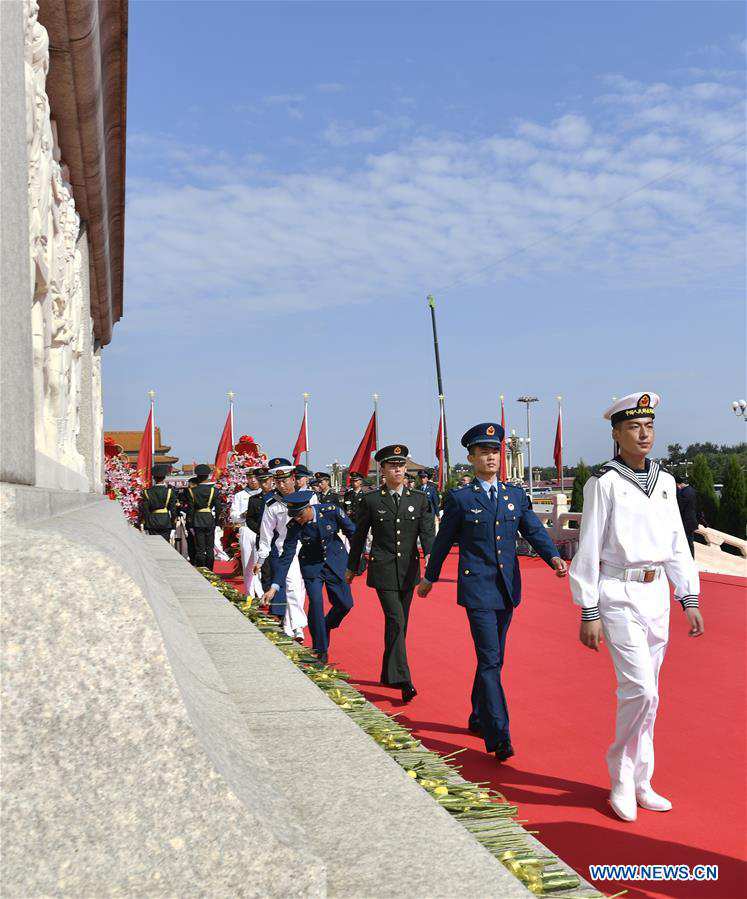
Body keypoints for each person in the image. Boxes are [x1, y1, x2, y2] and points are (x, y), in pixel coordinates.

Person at [569, 392, 703, 822]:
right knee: (639, 689)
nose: (643, 434)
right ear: (616, 434)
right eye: (633, 427)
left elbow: (677, 543)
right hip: (617, 591)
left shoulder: (665, 482)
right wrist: (587, 609)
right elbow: (587, 547)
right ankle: (621, 775)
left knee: (653, 694)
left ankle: (643, 779)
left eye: (649, 426)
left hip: (657, 591)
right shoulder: (603, 482)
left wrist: (689, 596)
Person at [417, 422, 567, 761]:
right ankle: (499, 734)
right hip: (478, 590)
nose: (491, 457)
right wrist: (430, 576)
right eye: (483, 452)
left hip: (507, 589)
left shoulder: (515, 496)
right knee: (490, 659)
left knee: (493, 658)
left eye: (495, 451)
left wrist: (553, 557)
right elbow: (442, 542)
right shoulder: (460, 499)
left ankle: (476, 714)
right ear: (470, 458)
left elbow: (533, 531)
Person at [347, 445, 435, 702]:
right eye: (392, 465)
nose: (397, 469)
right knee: (396, 619)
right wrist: (352, 567)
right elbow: (359, 536)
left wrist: (431, 555)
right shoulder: (371, 500)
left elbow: (427, 532)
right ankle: (404, 679)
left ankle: (388, 672)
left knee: (400, 623)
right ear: (382, 470)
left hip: (409, 570)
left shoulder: (418, 498)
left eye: (401, 465)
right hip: (383, 569)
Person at [265, 491, 356, 663]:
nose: (297, 519)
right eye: (294, 516)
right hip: (311, 566)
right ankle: (320, 649)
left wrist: (356, 560)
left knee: (345, 604)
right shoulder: (294, 526)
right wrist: (274, 587)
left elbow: (352, 531)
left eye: (299, 515)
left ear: (308, 508)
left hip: (335, 561)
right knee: (315, 602)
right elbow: (286, 556)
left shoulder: (331, 511)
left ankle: (326, 624)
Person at [256, 458, 308, 639]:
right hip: (286, 548)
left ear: (293, 479)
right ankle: (298, 627)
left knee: (301, 587)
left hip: (308, 545)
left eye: (285, 481)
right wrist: (261, 558)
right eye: (277, 482)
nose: (282, 485)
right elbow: (266, 532)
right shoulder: (272, 502)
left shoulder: (309, 496)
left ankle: (289, 624)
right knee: (292, 585)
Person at [229, 466, 262, 593]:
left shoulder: (264, 494)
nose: (253, 480)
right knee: (248, 562)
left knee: (261, 561)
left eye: (255, 478)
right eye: (250, 478)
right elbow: (233, 515)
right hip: (246, 529)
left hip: (261, 530)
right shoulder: (240, 495)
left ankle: (260, 591)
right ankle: (249, 592)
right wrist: (243, 515)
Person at [187, 464, 224, 569]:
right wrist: (216, 521)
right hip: (209, 519)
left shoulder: (191, 491)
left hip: (197, 519)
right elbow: (218, 508)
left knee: (199, 548)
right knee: (209, 547)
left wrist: (190, 523)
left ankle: (201, 569)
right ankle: (210, 569)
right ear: (208, 476)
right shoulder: (214, 490)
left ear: (197, 476)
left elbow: (190, 509)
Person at [245, 469, 275, 598]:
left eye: (266, 481)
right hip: (262, 539)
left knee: (278, 569)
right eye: (261, 481)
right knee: (266, 570)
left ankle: (278, 599)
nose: (264, 484)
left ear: (271, 480)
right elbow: (249, 519)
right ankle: (268, 596)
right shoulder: (254, 499)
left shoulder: (278, 497)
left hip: (278, 538)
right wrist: (261, 531)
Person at [139, 464, 177, 541]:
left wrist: (146, 524)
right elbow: (173, 510)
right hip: (166, 522)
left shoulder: (147, 492)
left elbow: (146, 510)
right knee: (166, 545)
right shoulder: (169, 491)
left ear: (154, 478)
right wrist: (173, 525)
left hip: (152, 522)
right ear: (164, 478)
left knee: (155, 545)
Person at [674, 474, 700, 557]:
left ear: (677, 484)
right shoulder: (691, 490)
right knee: (689, 542)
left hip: (687, 522)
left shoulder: (685, 493)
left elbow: (681, 507)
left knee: (688, 543)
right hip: (690, 521)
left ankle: (690, 560)